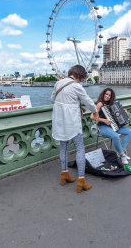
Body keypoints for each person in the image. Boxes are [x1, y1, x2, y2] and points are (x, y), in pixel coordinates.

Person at [51, 65, 99, 193]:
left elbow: (52, 99)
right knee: (80, 148)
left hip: (60, 122)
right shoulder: (77, 86)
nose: (82, 81)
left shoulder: (58, 83)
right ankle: (81, 181)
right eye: (82, 78)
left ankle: (64, 175)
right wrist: (95, 112)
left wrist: (72, 105)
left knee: (64, 147)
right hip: (72, 123)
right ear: (80, 75)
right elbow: (88, 102)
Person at [95, 88, 131, 165]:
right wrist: (104, 120)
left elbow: (117, 116)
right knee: (116, 136)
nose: (107, 96)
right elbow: (92, 117)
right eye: (106, 94)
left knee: (130, 132)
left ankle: (121, 151)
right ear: (103, 94)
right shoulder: (100, 104)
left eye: (109, 95)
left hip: (114, 126)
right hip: (103, 127)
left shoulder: (112, 104)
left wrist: (124, 112)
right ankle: (122, 155)